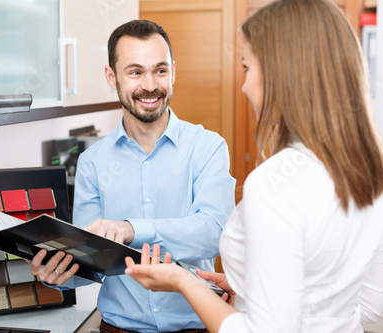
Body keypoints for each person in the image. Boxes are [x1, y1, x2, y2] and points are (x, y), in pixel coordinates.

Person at [124, 0, 383, 332]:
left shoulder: (274, 185)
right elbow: (371, 309)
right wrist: (250, 291)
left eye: (247, 68)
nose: (245, 86)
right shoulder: (370, 170)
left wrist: (182, 281)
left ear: (281, 73)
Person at [28, 20, 236, 332]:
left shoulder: (207, 148)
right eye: (135, 72)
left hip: (196, 327)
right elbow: (92, 260)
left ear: (173, 72)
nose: (150, 85)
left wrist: (130, 230)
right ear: (112, 77)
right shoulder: (92, 163)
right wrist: (59, 276)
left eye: (160, 70)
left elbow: (214, 234)